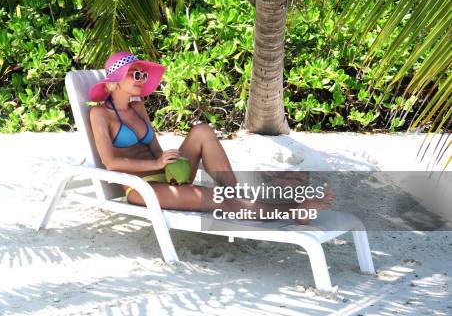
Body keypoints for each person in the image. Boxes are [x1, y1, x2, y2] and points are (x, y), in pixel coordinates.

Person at [89, 52, 330, 224]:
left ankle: (235, 192)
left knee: (202, 130)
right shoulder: (99, 114)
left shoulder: (138, 108)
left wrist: (171, 164)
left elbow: (154, 148)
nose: (141, 79)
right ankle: (294, 211)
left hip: (165, 175)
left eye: (142, 75)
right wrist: (156, 164)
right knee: (219, 200)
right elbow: (110, 163)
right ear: (115, 82)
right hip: (142, 187)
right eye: (135, 74)